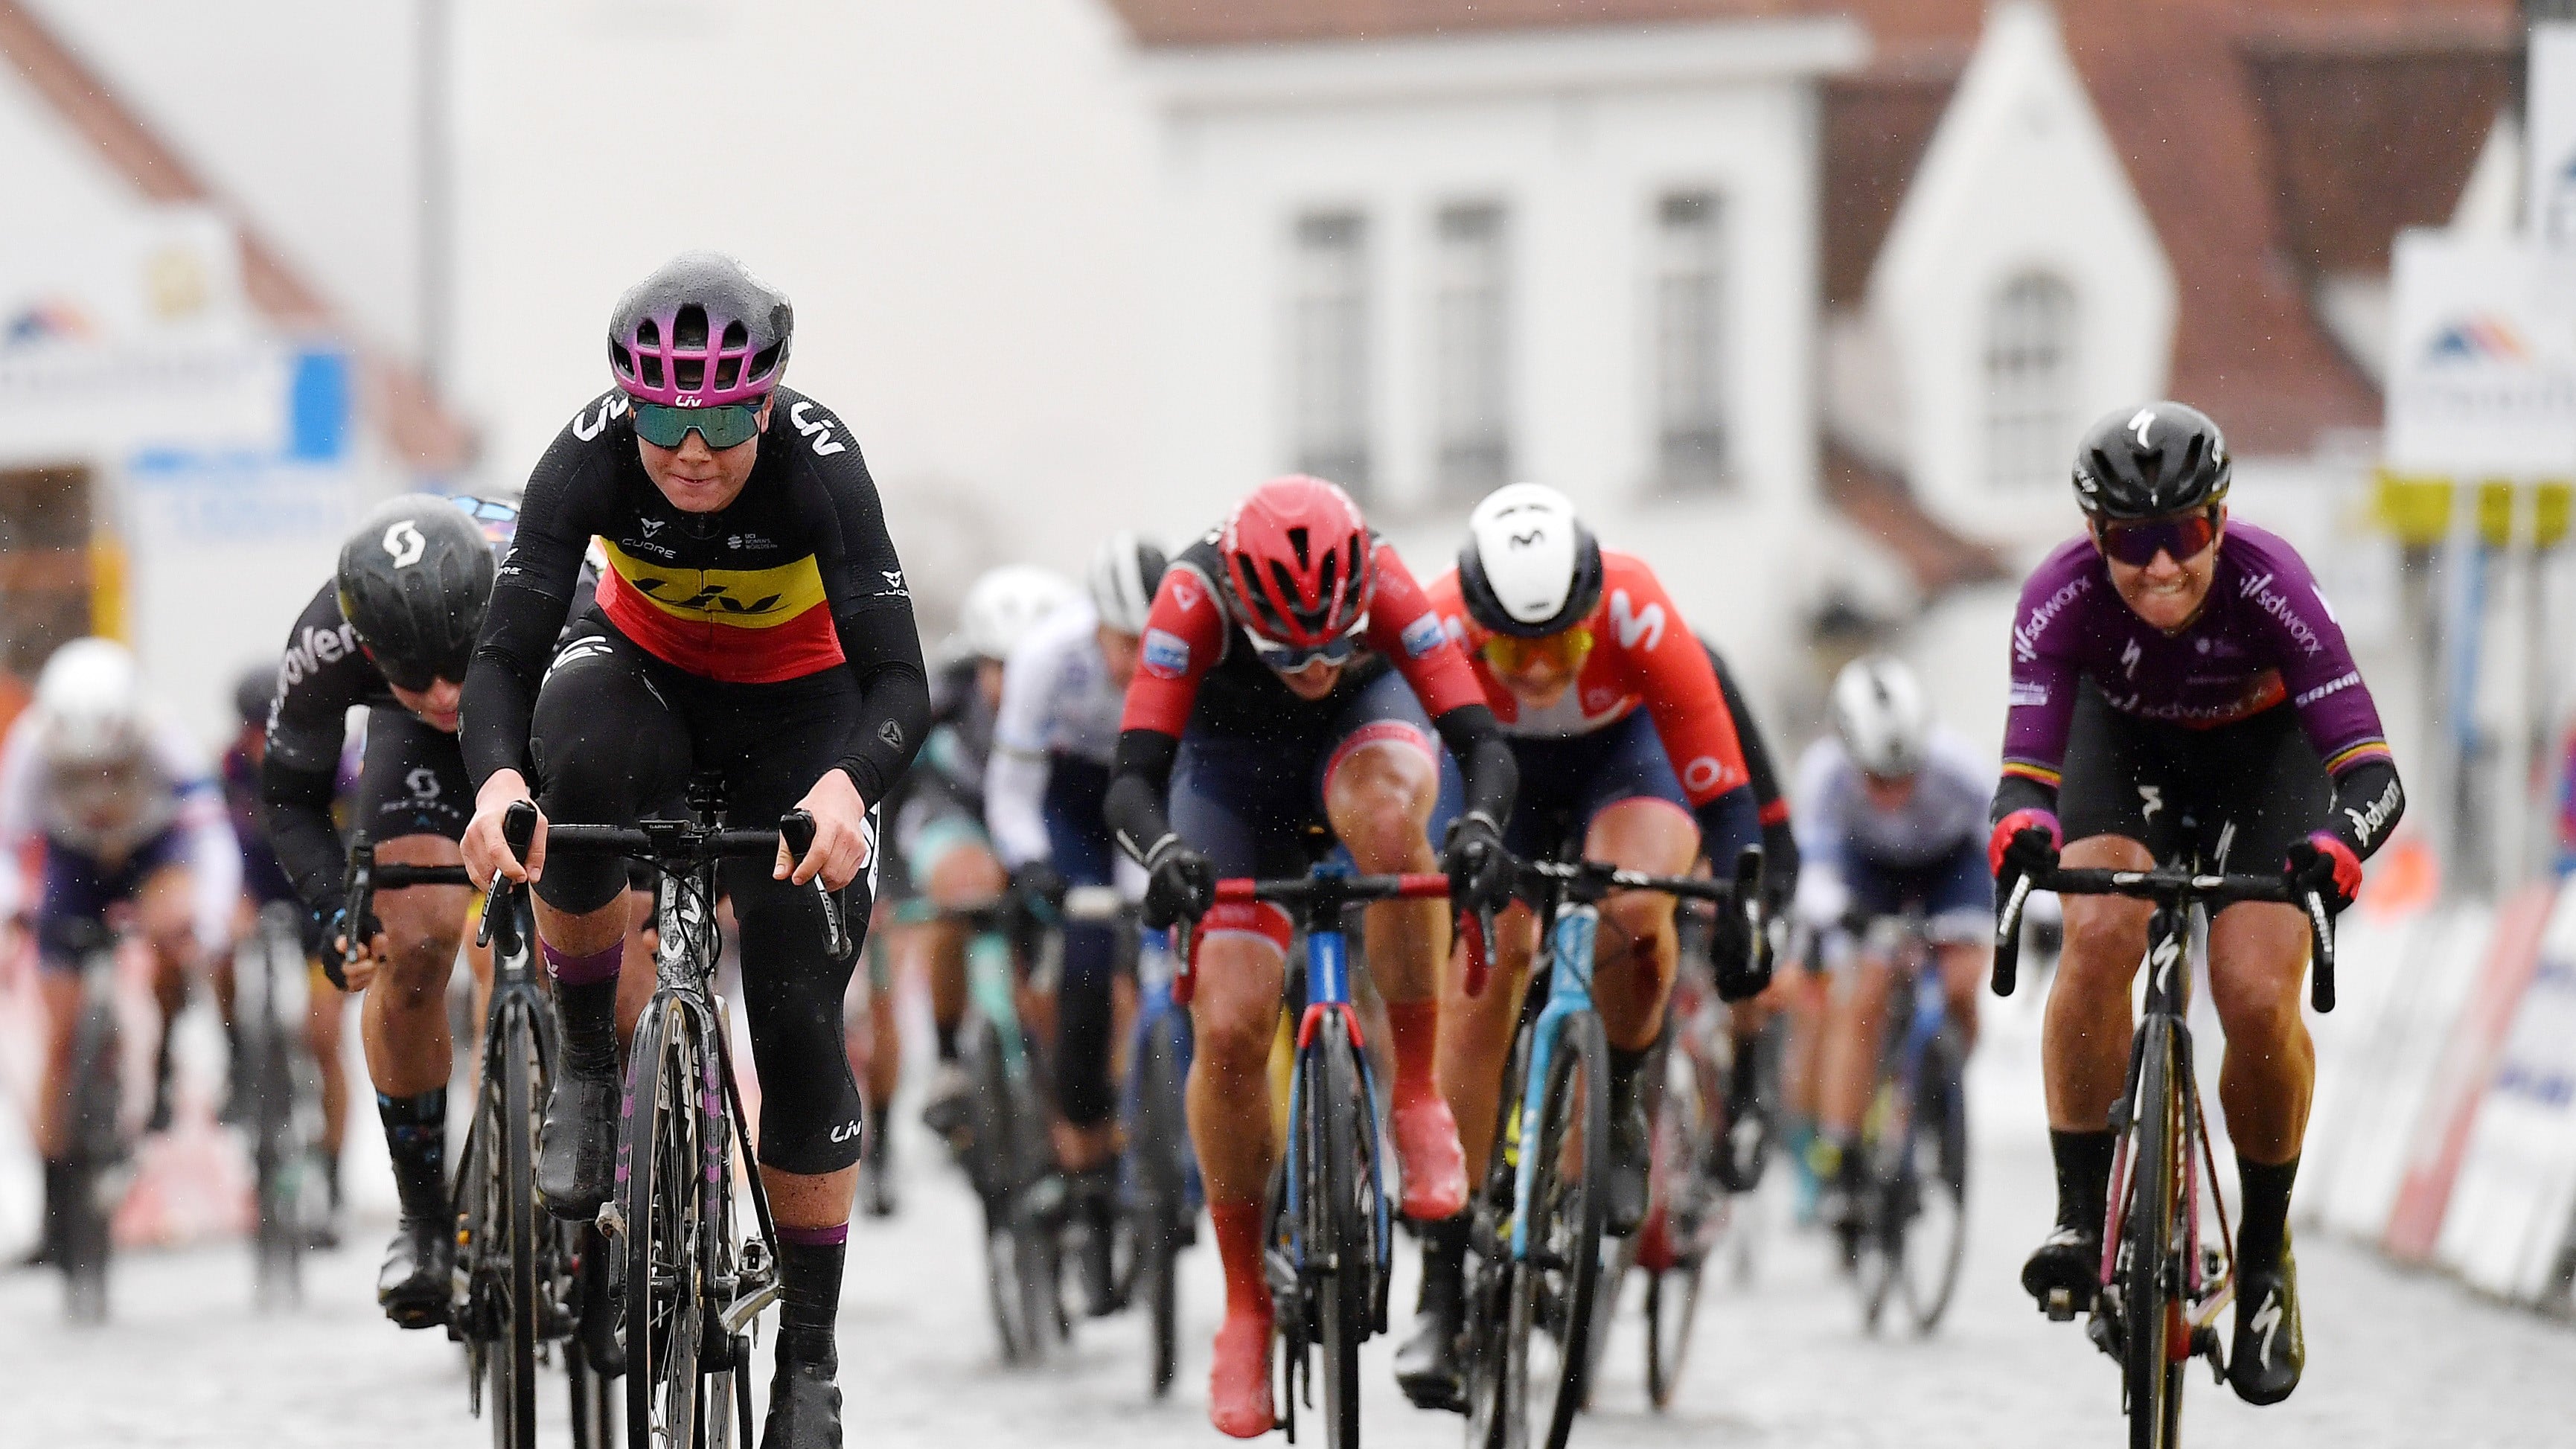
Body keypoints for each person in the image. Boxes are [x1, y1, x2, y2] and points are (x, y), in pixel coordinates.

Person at [458, 252, 926, 1449]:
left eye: (721, 416)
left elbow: (897, 677)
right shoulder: (588, 455)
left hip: (802, 720)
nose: (693, 448)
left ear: (764, 399)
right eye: (668, 416)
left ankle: (809, 1361)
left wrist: (843, 790)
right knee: (572, 763)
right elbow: (505, 656)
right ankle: (586, 1066)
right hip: (647, 684)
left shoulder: (822, 465)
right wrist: (500, 783)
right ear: (633, 400)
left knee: (796, 1010)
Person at [1992, 402, 2403, 1407]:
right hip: (2124, 752)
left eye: (2183, 533)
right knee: (2095, 929)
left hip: (2264, 765)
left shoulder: (2274, 583)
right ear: (2096, 537)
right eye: (2132, 540)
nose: (2160, 564)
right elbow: (2021, 784)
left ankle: (2262, 1255)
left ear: (2219, 519)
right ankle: (2082, 1215)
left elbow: (2374, 773)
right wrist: (2023, 832)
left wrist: (2334, 848)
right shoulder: (2058, 596)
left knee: (2257, 993)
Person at [1102, 474, 1517, 1438]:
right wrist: (1163, 855)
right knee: (1236, 1024)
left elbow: (1480, 740)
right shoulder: (1192, 596)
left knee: (1388, 823)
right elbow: (1131, 780)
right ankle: (1245, 1304)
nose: (1318, 666)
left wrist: (1483, 828)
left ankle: (1413, 1094)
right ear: (1245, 605)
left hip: (1360, 752)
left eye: (1338, 643)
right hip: (1230, 776)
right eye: (1293, 651)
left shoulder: (1385, 575)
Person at [1400, 482, 1761, 1408]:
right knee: (1481, 977)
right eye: (1507, 650)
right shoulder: (1435, 626)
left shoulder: (1638, 607)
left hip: (1624, 761)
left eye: (1557, 646)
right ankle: (1441, 1281)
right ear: (1472, 622)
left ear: (1592, 614)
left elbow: (1722, 795)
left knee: (1637, 920)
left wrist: (1746, 907)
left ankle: (1622, 1107)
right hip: (1493, 781)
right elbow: (1408, 769)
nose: (1531, 674)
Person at [262, 492, 557, 1326]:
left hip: (543, 690)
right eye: (409, 673)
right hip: (414, 755)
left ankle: (614, 1148)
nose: (439, 691)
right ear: (366, 647)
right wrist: (335, 913)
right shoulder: (326, 637)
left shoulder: (554, 589)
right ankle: (426, 1219)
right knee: (414, 939)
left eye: (452, 666)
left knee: (608, 929)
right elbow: (289, 800)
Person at [1, 639, 240, 1267]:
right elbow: (5, 836)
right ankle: (57, 1211)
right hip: (73, 862)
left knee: (174, 927)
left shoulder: (161, 732)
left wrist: (207, 919)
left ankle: (162, 1053)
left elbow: (208, 832)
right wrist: (10, 915)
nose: (98, 783)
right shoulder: (31, 741)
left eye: (111, 766)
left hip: (152, 850)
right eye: (81, 771)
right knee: (59, 1041)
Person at [983, 532, 1165, 1311]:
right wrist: (1029, 863)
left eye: (1150, 647)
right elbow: (1012, 789)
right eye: (1125, 644)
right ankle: (1085, 1152)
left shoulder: (1183, 659)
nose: (1135, 664)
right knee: (1087, 959)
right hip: (1064, 799)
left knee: (1159, 948)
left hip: (1143, 788)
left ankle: (1164, 1137)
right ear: (1096, 626)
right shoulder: (1046, 657)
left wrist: (1149, 886)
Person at [1792, 655, 1991, 1245]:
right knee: (1864, 996)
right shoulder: (1824, 774)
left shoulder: (1959, 768)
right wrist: (1834, 913)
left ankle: (1941, 1085)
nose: (1894, 792)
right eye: (1877, 779)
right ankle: (1845, 1148)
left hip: (1949, 867)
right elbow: (1815, 867)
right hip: (1867, 870)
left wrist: (2027, 918)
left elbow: (2003, 846)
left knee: (1959, 981)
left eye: (1905, 774)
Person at [895, 563, 1078, 1162]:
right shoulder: (942, 695)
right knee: (966, 885)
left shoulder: (1074, 701)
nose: (1011, 682)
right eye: (997, 666)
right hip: (953, 818)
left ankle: (1057, 1080)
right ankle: (949, 1059)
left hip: (1033, 830)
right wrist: (885, 889)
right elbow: (888, 782)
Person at [224, 665, 350, 1247]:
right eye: (248, 730)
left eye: (265, 728)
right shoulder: (229, 768)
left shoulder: (331, 761)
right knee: (217, 957)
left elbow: (355, 839)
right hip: (261, 897)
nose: (257, 743)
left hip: (322, 903)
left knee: (323, 1039)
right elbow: (216, 842)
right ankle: (237, 1062)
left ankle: (332, 1175)